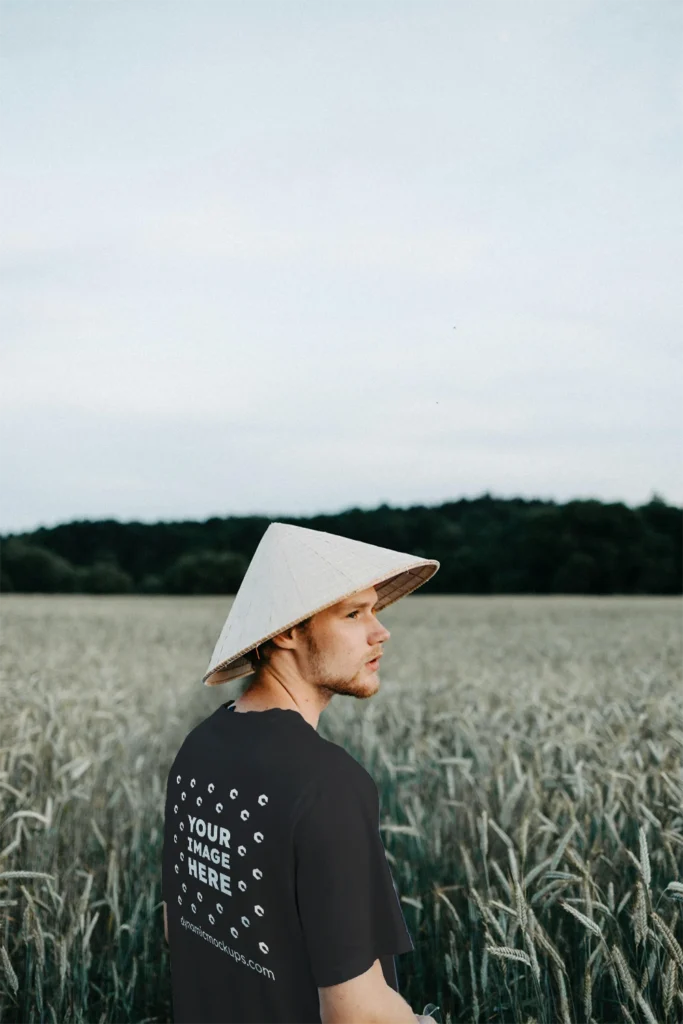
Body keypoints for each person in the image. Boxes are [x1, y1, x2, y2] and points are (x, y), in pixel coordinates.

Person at [161, 521, 440, 1023]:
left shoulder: (197, 749)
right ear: (288, 629)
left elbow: (177, 922)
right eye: (354, 613)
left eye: (375, 610)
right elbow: (358, 1015)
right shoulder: (327, 783)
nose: (381, 631)